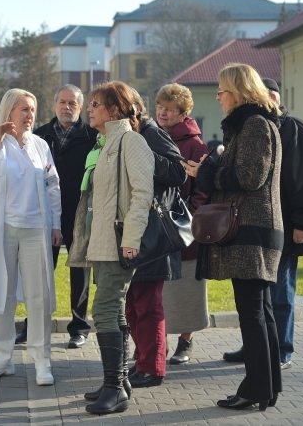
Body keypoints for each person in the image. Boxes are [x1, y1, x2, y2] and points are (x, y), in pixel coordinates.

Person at [184, 63, 283, 411]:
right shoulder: (250, 124)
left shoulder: (255, 124)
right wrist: (210, 169)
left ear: (238, 91)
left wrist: (209, 172)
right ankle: (267, 386)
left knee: (253, 312)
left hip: (252, 231)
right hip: (254, 229)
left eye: (222, 90)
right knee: (261, 312)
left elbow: (251, 177)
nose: (218, 96)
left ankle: (256, 389)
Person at [222, 78, 303, 369]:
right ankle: (255, 347)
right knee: (258, 298)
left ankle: (281, 350)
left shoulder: (292, 128)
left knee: (280, 293)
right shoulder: (250, 126)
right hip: (261, 226)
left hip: (286, 227)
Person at [67, 81, 154, 414]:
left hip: (119, 244)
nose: (89, 109)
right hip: (101, 244)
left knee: (103, 310)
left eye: (96, 104)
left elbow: (142, 195)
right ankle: (118, 381)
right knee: (114, 310)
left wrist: (131, 240)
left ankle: (114, 389)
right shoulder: (104, 143)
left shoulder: (131, 142)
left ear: (115, 110)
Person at [0, 89, 62, 386]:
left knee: (39, 296)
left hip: (36, 228)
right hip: (4, 228)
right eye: (24, 109)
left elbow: (52, 186)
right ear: (9, 112)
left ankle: (42, 360)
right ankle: (2, 357)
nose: (30, 114)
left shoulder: (40, 145)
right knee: (3, 295)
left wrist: (56, 223)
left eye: (33, 109)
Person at [19, 84, 97, 348]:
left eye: (73, 103)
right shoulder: (38, 137)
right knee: (39, 273)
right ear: (54, 105)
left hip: (80, 214)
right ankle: (33, 327)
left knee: (80, 273)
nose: (67, 107)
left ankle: (79, 329)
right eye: (62, 102)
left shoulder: (93, 137)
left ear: (81, 106)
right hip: (45, 216)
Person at [124, 90, 186, 389]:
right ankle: (142, 361)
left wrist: (144, 154)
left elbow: (178, 172)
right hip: (135, 234)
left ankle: (152, 368)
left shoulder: (150, 133)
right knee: (133, 305)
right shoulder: (130, 133)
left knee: (147, 304)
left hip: (153, 237)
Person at [156, 84, 210, 365]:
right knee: (158, 290)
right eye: (160, 107)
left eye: (169, 109)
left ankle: (186, 341)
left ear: (183, 113)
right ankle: (158, 345)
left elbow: (203, 189)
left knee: (187, 287)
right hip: (155, 226)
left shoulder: (195, 143)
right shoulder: (151, 136)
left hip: (184, 227)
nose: (163, 113)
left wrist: (187, 215)